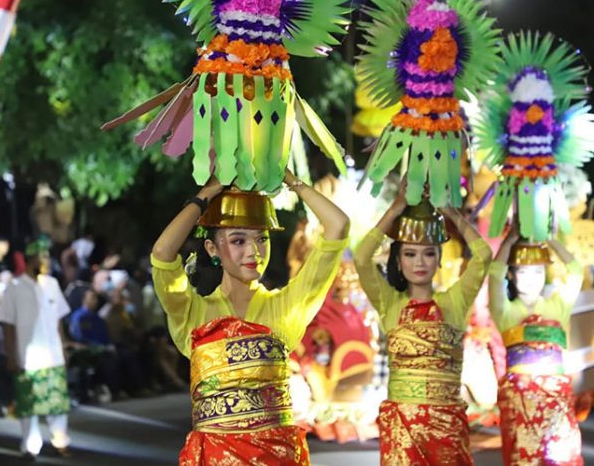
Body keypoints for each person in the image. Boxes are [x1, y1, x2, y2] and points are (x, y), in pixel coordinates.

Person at [151, 171, 349, 465]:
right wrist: (209, 192)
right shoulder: (192, 311)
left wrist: (291, 181)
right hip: (214, 457)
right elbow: (163, 253)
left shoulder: (284, 307)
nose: (253, 251)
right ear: (212, 248)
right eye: (238, 240)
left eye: (261, 238)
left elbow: (338, 225)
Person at [353, 180, 492, 465]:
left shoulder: (454, 302)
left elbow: (483, 255)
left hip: (447, 428)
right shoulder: (390, 303)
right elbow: (362, 256)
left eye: (429, 253)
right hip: (402, 430)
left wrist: (450, 212)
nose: (420, 262)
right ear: (399, 259)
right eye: (410, 253)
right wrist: (396, 208)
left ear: (440, 258)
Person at [489, 226, 584, 465]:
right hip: (520, 403)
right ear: (511, 274)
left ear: (546, 274)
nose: (531, 280)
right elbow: (494, 276)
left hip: (555, 403)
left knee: (562, 458)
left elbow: (575, 271)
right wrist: (508, 242)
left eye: (538, 272)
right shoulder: (505, 311)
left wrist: (549, 238)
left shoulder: (557, 306)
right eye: (523, 271)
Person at [0, 238, 71, 459]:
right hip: (27, 358)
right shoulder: (14, 288)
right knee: (28, 406)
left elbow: (58, 320)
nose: (47, 261)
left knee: (57, 403)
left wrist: (64, 347)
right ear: (31, 259)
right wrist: (11, 355)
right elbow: (8, 326)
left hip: (53, 354)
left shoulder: (52, 284)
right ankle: (30, 446)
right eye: (43, 256)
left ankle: (61, 441)